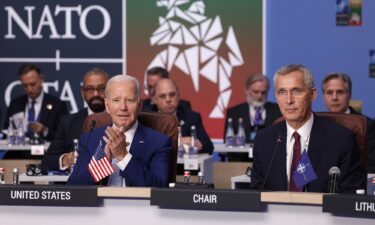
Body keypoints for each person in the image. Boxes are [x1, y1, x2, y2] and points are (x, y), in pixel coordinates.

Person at [250, 64, 366, 193]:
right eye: (282, 92)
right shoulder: (264, 140)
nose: (289, 100)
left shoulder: (341, 140)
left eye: (296, 91)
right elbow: (256, 193)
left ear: (312, 94)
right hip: (275, 213)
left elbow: (351, 194)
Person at [68, 75, 172, 187]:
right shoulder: (91, 138)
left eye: (130, 100)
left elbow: (158, 188)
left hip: (137, 204)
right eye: (116, 100)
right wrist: (103, 162)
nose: (123, 107)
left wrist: (123, 156)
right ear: (107, 106)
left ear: (139, 105)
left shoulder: (159, 142)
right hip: (99, 203)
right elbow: (73, 186)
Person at [41, 68, 109, 172]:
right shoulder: (67, 122)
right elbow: (48, 160)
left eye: (101, 88)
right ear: (82, 92)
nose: (95, 94)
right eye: (90, 89)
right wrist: (65, 160)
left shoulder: (121, 120)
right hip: (78, 186)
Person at [4, 64, 67, 158]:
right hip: (18, 156)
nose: (29, 89)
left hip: (45, 155)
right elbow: (7, 130)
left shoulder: (57, 105)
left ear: (41, 79)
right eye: (25, 85)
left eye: (33, 84)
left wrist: (44, 131)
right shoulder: (15, 104)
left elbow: (63, 137)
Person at [322, 72, 375, 173]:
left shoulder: (367, 125)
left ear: (349, 95)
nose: (334, 97)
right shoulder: (316, 123)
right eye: (329, 92)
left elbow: (372, 165)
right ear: (324, 97)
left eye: (340, 92)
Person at [224, 73, 282, 161]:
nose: (259, 96)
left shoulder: (278, 110)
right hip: (240, 160)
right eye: (256, 91)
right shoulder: (234, 112)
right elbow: (228, 139)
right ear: (246, 90)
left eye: (263, 92)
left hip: (270, 160)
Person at [152, 78, 213, 155]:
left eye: (172, 94)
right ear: (154, 99)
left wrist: (192, 145)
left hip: (182, 166)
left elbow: (208, 147)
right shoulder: (146, 118)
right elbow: (143, 146)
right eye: (162, 96)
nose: (168, 99)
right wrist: (180, 141)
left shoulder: (191, 117)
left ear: (178, 95)